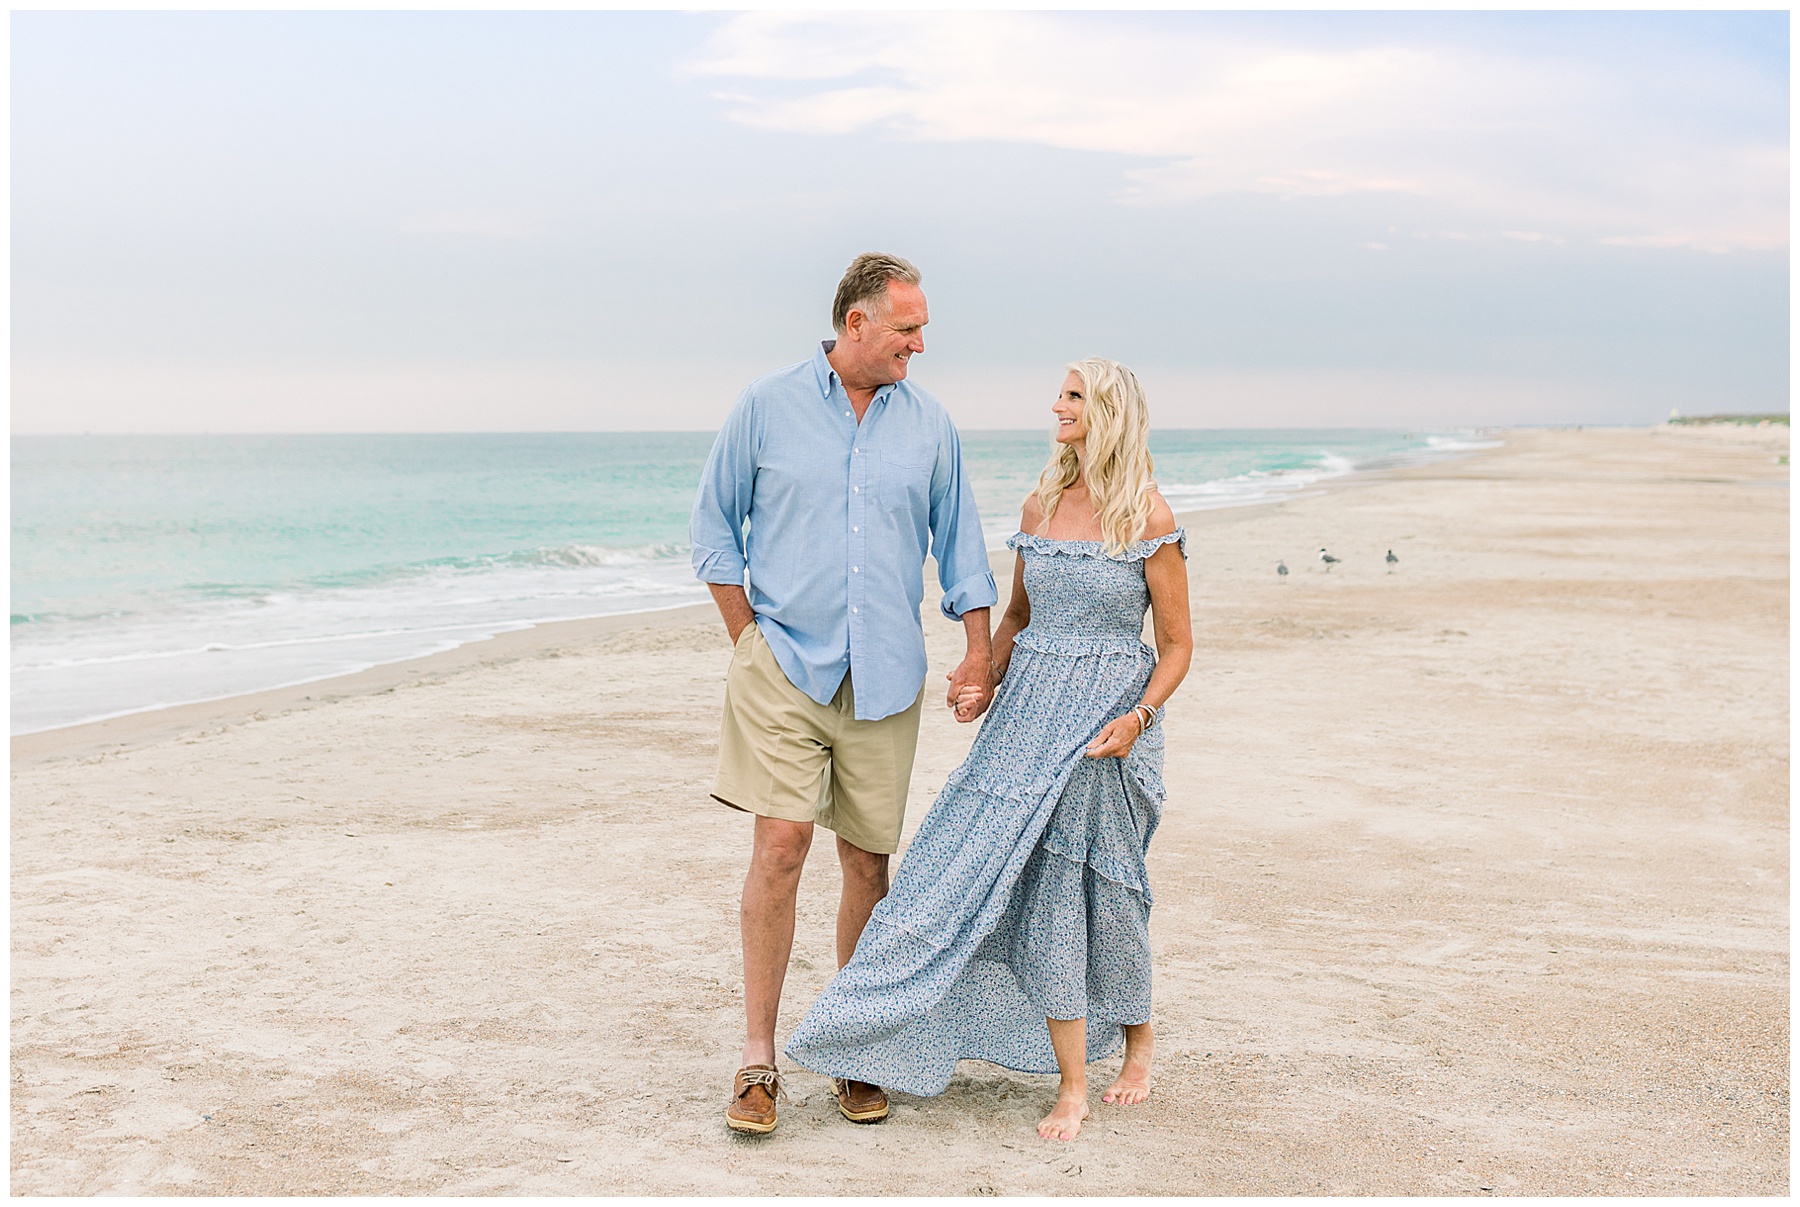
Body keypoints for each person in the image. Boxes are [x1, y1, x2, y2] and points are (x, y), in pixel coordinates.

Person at [785, 357, 1193, 1142]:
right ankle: (888, 1028)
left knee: (1101, 888)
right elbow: (1016, 618)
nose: (1057, 405)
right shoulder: (1039, 506)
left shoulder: (1147, 514)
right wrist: (983, 676)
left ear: (1106, 410)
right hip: (1028, 717)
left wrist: (1138, 719)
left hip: (1108, 728)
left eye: (1072, 395)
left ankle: (1124, 1055)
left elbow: (1176, 646)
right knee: (965, 866)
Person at [689, 253, 999, 1135]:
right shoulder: (766, 405)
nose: (919, 344)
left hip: (888, 675)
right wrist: (748, 639)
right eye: (907, 328)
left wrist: (976, 651)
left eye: (921, 328)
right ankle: (758, 1061)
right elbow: (714, 529)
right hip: (784, 665)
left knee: (868, 862)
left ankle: (855, 1047)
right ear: (855, 323)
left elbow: (962, 546)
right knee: (781, 845)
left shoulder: (930, 425)